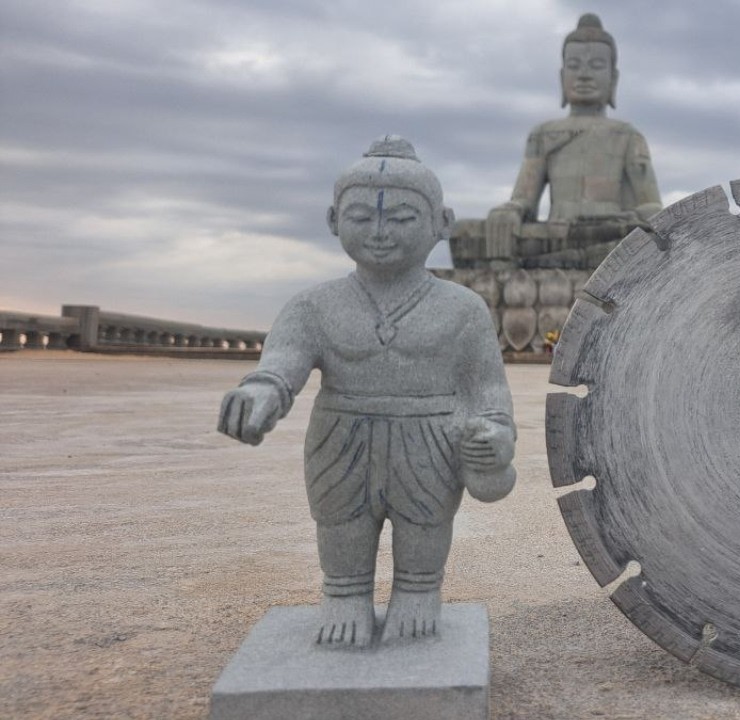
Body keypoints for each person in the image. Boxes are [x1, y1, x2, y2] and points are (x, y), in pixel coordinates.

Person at [218, 135, 516, 647]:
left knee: (425, 521)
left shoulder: (463, 309)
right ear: (334, 221)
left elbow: (487, 387)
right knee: (341, 521)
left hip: (430, 440)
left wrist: (493, 432)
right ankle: (345, 593)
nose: (380, 232)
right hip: (341, 437)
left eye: (401, 218)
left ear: (441, 224)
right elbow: (282, 364)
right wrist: (261, 394)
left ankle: (419, 591)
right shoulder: (313, 306)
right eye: (361, 217)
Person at [484, 13, 662, 258]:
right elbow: (524, 200)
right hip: (557, 235)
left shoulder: (628, 136)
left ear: (613, 78)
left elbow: (651, 206)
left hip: (609, 235)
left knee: (637, 238)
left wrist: (640, 217)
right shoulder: (542, 134)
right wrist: (508, 212)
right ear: (562, 76)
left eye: (596, 66)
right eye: (574, 65)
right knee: (475, 232)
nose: (584, 75)